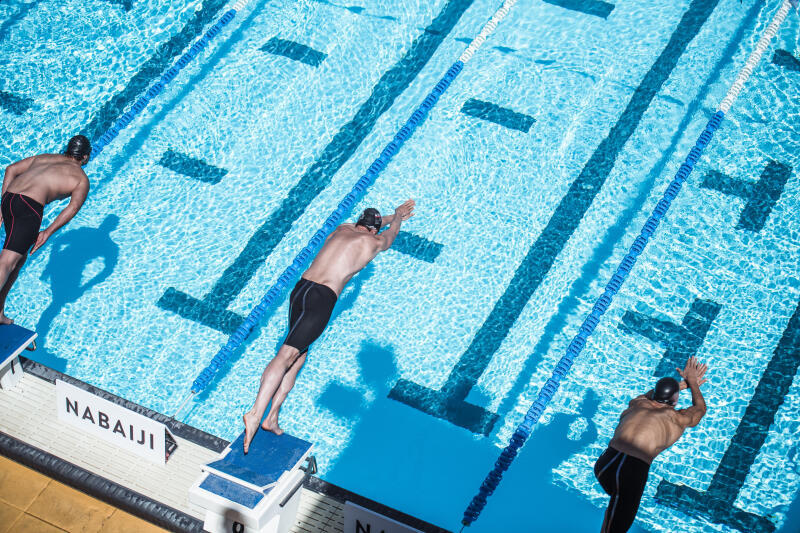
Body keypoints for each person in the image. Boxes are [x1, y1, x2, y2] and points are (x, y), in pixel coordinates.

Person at [242, 199, 416, 452]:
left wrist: (389, 216)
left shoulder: (342, 228)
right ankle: (256, 414)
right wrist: (398, 217)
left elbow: (377, 225)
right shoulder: (374, 242)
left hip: (301, 290)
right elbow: (391, 235)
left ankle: (271, 417)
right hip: (321, 299)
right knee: (287, 354)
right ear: (375, 230)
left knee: (300, 354)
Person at [594, 356, 708, 532]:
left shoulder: (638, 403)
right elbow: (700, 409)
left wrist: (681, 385)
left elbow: (651, 394)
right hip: (630, 472)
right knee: (616, 524)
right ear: (675, 400)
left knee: (616, 509)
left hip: (605, 464)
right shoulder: (677, 418)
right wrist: (692, 382)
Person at [0, 135, 91, 325]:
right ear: (86, 157)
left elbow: (11, 169)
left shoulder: (45, 157)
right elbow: (72, 208)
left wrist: (2, 205)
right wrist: (47, 232)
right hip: (29, 208)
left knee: (19, 259)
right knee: (7, 262)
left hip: (10, 198)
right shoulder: (81, 179)